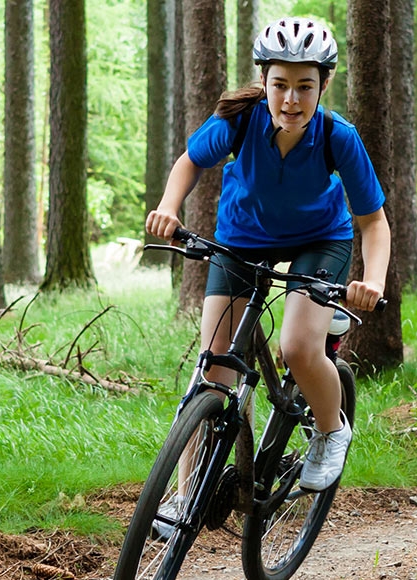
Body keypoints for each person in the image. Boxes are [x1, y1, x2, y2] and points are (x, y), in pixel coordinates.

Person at [143, 17, 390, 531]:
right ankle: (189, 493)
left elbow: (373, 223)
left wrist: (375, 282)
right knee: (215, 369)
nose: (291, 100)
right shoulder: (241, 120)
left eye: (305, 86)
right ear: (263, 80)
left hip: (319, 242)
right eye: (280, 85)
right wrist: (169, 205)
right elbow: (190, 160)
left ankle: (329, 431)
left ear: (325, 84)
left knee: (298, 348)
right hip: (242, 238)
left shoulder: (337, 136)